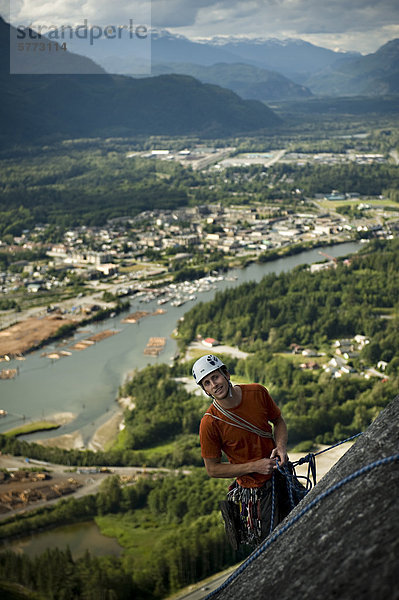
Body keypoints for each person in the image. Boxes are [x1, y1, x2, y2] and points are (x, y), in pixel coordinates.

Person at [193, 354, 290, 549]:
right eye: (207, 382)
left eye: (216, 377)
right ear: (205, 389)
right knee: (276, 548)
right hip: (255, 493)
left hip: (281, 476)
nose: (214, 384)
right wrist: (255, 466)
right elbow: (212, 469)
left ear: (226, 374)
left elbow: (278, 421)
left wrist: (280, 447)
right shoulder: (210, 423)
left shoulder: (257, 393)